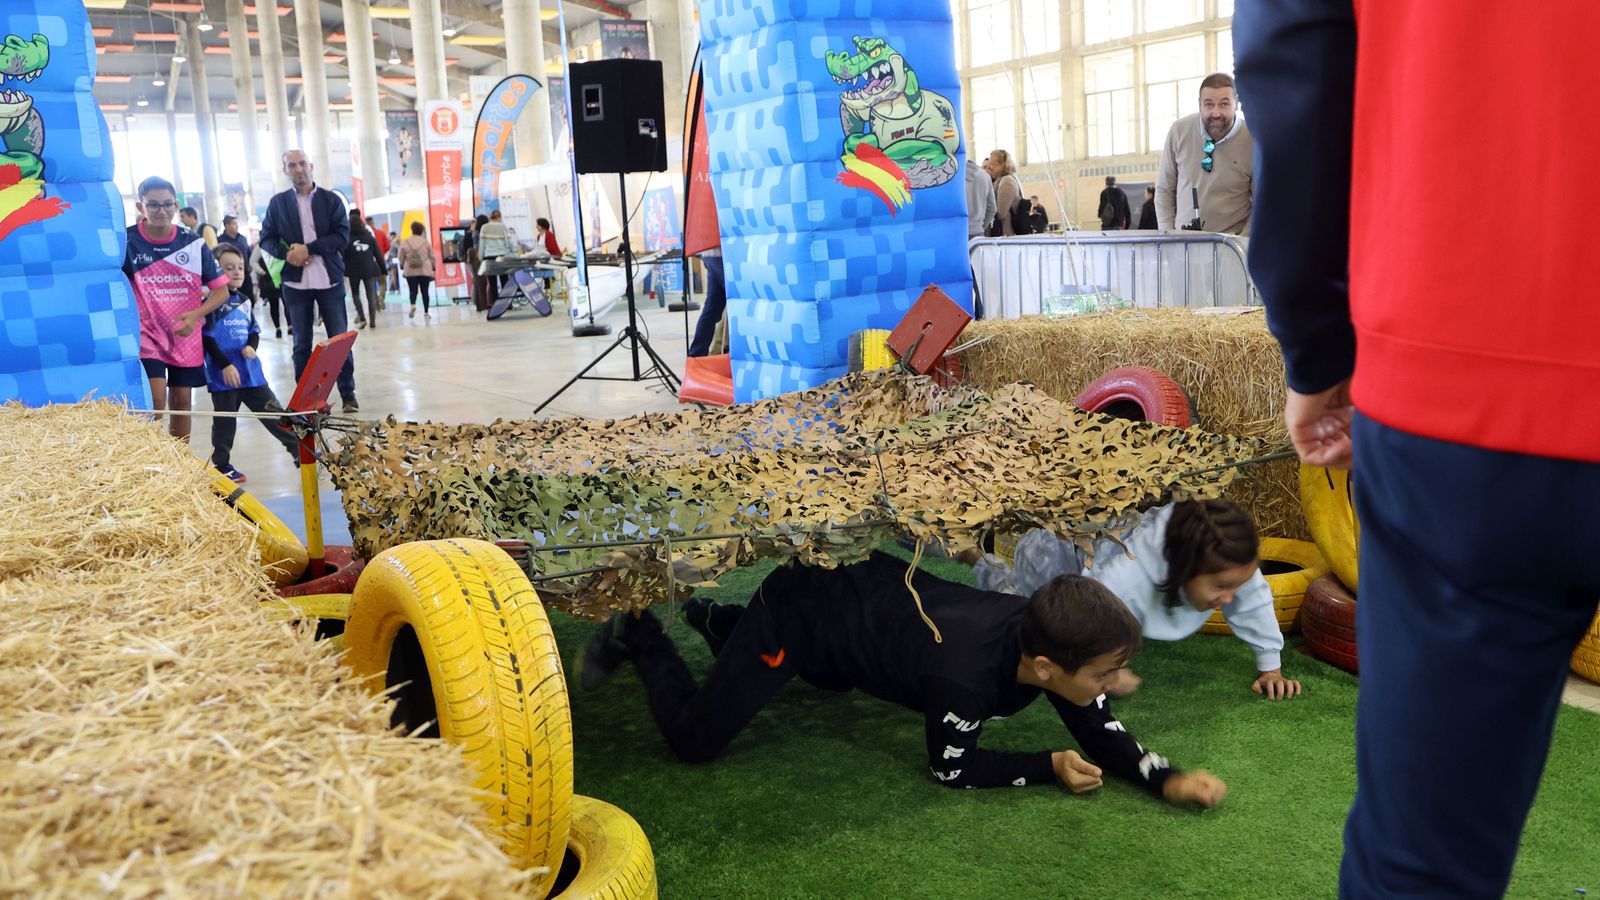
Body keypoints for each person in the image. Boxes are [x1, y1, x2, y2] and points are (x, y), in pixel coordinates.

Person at [1236, 5, 1600, 895]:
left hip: (1463, 366)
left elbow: (1296, 51)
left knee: (1419, 866)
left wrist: (1316, 343)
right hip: (1463, 377)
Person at [583, 552, 1228, 807]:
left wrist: (1166, 779)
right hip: (803, 610)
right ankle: (640, 632)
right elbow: (951, 769)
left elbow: (1099, 727)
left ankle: (717, 620)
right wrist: (1046, 764)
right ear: (1044, 669)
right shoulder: (965, 678)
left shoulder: (1045, 633)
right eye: (1105, 673)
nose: (1114, 684)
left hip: (860, 612)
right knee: (695, 740)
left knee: (827, 680)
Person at [977, 499, 1302, 700]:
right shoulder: (1123, 578)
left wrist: (1270, 668)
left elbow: (1252, 598)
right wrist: (1109, 672)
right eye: (1220, 587)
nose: (1230, 596)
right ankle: (979, 558)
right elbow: (1084, 619)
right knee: (1025, 618)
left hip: (1103, 541)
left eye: (1235, 585)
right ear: (1184, 570)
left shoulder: (1225, 562)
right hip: (1051, 553)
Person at [122, 176, 230, 443]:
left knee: (182, 401)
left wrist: (196, 315)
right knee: (155, 400)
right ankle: (150, 456)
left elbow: (222, 292)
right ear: (140, 206)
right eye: (153, 205)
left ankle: (178, 460)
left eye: (167, 204)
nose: (161, 210)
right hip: (147, 334)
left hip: (185, 336)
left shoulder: (193, 243)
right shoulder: (127, 241)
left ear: (176, 205)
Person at [260, 149, 358, 412]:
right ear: (285, 170)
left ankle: (348, 394)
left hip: (330, 280)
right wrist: (289, 254)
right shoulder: (277, 203)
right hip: (295, 284)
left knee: (339, 341)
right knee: (301, 344)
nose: (298, 169)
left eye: (302, 163)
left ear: (310, 165)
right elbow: (266, 239)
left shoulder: (331, 200)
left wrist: (309, 249)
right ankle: (306, 399)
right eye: (292, 165)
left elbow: (341, 237)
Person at [200, 244, 299, 483]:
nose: (236, 272)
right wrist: (225, 365)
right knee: (224, 423)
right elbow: (207, 339)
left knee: (275, 414)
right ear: (215, 271)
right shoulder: (211, 302)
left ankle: (299, 451)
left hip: (251, 374)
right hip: (225, 377)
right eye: (228, 268)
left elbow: (254, 331)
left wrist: (252, 347)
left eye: (240, 267)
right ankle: (221, 464)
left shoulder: (245, 301)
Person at [1155, 73, 1253, 235]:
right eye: (1209, 105)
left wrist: (1242, 242)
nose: (1216, 113)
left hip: (1232, 244)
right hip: (1183, 243)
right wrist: (1167, 235)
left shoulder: (1252, 138)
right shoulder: (1178, 132)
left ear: (1236, 104)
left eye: (1224, 104)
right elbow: (1164, 190)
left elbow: (1262, 200)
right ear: (1199, 105)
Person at [344, 209, 386, 329]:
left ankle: (362, 318)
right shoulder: (369, 237)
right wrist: (383, 270)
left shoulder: (347, 239)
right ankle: (372, 321)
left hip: (353, 271)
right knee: (371, 295)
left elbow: (343, 255)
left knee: (355, 294)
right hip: (369, 269)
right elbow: (378, 255)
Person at [687, 248, 725, 358]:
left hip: (709, 254)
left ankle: (696, 355)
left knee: (712, 309)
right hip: (725, 254)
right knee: (739, 306)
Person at [397, 221, 438, 320]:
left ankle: (413, 305)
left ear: (412, 230)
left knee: (412, 290)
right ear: (421, 231)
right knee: (425, 292)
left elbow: (401, 255)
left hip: (410, 270)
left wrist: (402, 264)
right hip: (424, 270)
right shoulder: (425, 242)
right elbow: (432, 256)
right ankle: (426, 313)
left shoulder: (406, 241)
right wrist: (433, 266)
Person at [981, 150, 1022, 237]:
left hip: (1004, 234)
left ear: (1003, 165)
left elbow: (1000, 213)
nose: (989, 168)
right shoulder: (1001, 180)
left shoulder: (1007, 181)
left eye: (992, 165)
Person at [249, 243, 286, 339]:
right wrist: (262, 272)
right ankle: (278, 328)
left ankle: (290, 326)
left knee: (287, 303)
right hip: (268, 278)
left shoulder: (281, 240)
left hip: (283, 276)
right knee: (274, 304)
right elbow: (252, 261)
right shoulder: (261, 245)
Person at [477, 210, 515, 296]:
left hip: (489, 256)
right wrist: (513, 252)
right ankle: (506, 301)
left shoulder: (484, 227)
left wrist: (480, 258)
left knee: (492, 282)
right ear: (499, 217)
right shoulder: (503, 226)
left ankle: (495, 302)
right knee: (504, 280)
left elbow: (482, 244)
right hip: (502, 255)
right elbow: (509, 242)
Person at [965, 156, 996, 241]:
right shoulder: (985, 176)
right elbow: (992, 209)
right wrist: (980, 226)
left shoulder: (950, 177)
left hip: (955, 233)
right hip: (978, 233)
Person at [368, 217, 393, 307]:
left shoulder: (365, 235)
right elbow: (388, 247)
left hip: (369, 263)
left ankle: (376, 303)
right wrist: (382, 253)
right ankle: (381, 298)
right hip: (380, 262)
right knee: (382, 282)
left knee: (372, 284)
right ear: (373, 223)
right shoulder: (381, 233)